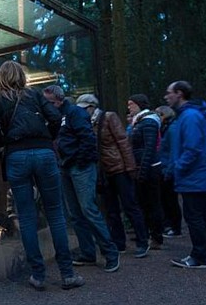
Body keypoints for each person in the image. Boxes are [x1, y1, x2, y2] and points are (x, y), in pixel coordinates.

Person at [0, 61, 84, 291]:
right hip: (44, 153)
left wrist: (8, 143)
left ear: (1, 78)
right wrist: (45, 139)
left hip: (17, 156)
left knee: (27, 217)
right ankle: (67, 275)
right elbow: (55, 118)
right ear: (22, 76)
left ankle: (38, 275)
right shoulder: (35, 95)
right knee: (56, 215)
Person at [43, 86, 120, 272]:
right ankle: (88, 252)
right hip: (68, 166)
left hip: (79, 167)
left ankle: (110, 252)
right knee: (76, 213)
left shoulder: (74, 113)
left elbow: (87, 139)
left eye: (50, 102)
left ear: (59, 100)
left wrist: (80, 161)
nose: (48, 106)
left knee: (88, 209)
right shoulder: (58, 117)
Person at [76, 94, 150, 258]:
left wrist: (130, 167)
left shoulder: (108, 117)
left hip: (119, 168)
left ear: (91, 107)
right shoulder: (86, 123)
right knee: (111, 210)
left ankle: (143, 241)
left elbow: (123, 141)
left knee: (130, 205)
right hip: (103, 171)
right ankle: (119, 242)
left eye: (85, 108)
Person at [164, 81, 206, 268]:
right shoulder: (185, 116)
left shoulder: (189, 116)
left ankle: (200, 256)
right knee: (201, 215)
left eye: (169, 93)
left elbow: (193, 148)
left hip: (193, 175)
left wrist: (178, 168)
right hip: (194, 175)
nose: (166, 97)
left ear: (179, 94)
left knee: (194, 216)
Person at [127, 94, 165, 249]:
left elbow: (149, 148)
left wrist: (142, 171)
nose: (128, 107)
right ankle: (147, 234)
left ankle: (156, 237)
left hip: (149, 169)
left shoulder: (148, 122)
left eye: (131, 104)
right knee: (144, 203)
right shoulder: (140, 122)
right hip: (143, 168)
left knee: (152, 203)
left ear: (139, 104)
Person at [155, 105, 183, 238]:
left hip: (169, 170)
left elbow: (173, 152)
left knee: (171, 200)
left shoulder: (172, 129)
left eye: (158, 115)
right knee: (165, 199)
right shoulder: (164, 128)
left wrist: (169, 171)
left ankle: (176, 227)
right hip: (163, 168)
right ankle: (168, 225)